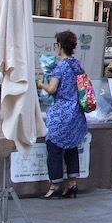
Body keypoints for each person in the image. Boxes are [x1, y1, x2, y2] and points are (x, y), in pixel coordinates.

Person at [37, 30, 88, 199]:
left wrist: (39, 84)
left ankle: (55, 184)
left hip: (61, 114)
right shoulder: (77, 65)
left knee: (54, 147)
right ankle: (72, 183)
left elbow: (52, 89)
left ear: (60, 46)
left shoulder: (60, 66)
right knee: (72, 147)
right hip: (77, 113)